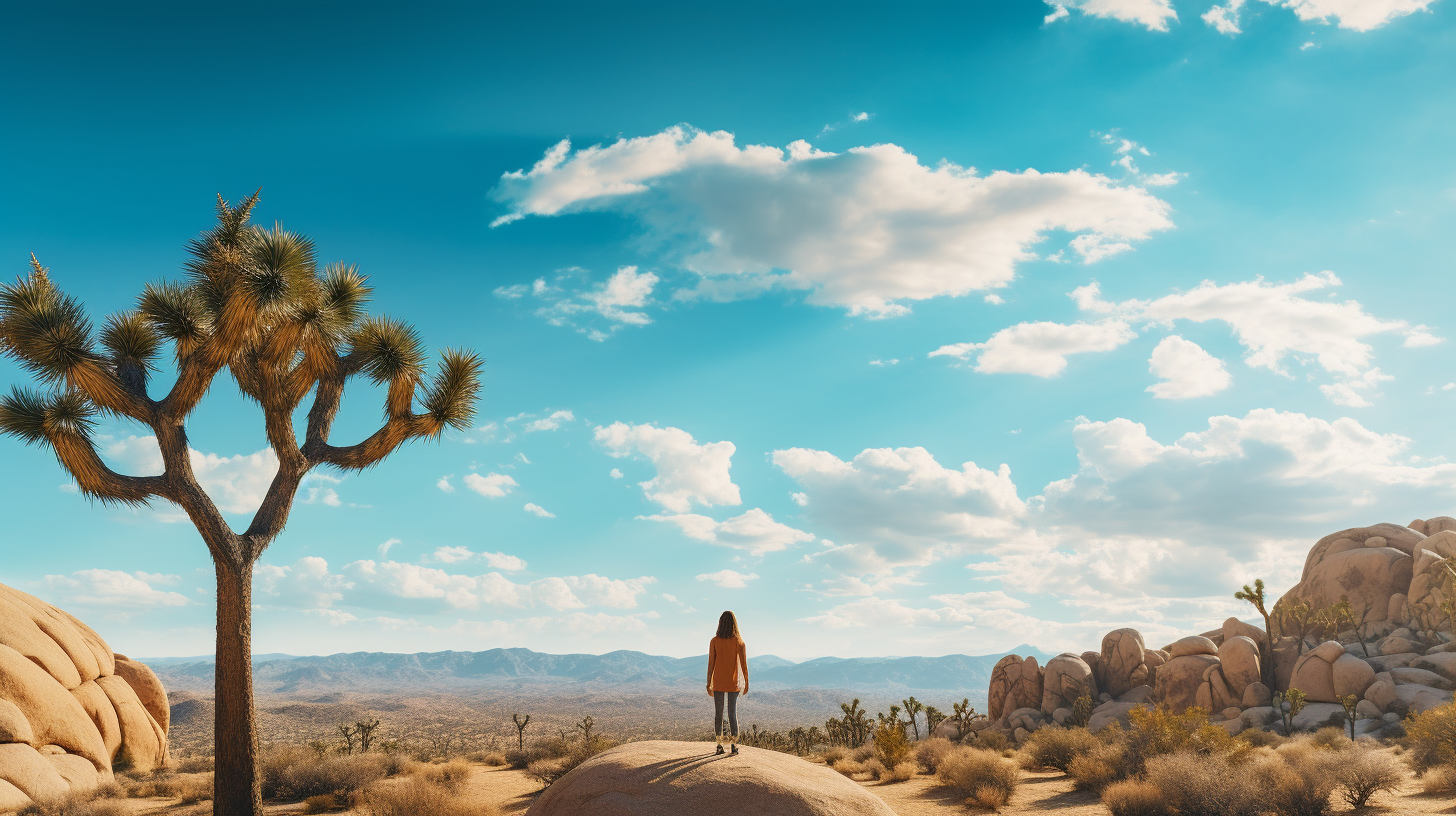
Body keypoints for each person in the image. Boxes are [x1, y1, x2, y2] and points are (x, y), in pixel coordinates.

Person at [706, 610, 749, 755]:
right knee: (732, 714)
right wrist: (746, 683)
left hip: (718, 681)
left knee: (719, 714)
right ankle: (734, 745)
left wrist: (708, 683)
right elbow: (744, 665)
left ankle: (719, 746)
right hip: (733, 682)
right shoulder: (739, 642)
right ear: (734, 624)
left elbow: (711, 663)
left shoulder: (714, 641)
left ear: (720, 623)